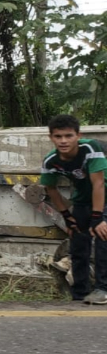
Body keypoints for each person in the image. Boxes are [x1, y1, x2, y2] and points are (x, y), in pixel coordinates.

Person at [41, 114, 107, 304]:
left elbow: (99, 184)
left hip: (104, 196)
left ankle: (103, 289)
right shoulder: (50, 161)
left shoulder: (89, 148)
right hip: (82, 200)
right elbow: (50, 188)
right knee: (77, 243)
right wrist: (67, 217)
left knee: (103, 237)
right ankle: (79, 292)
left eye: (68, 136)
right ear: (51, 137)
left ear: (78, 136)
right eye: (58, 136)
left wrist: (97, 219)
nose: (63, 141)